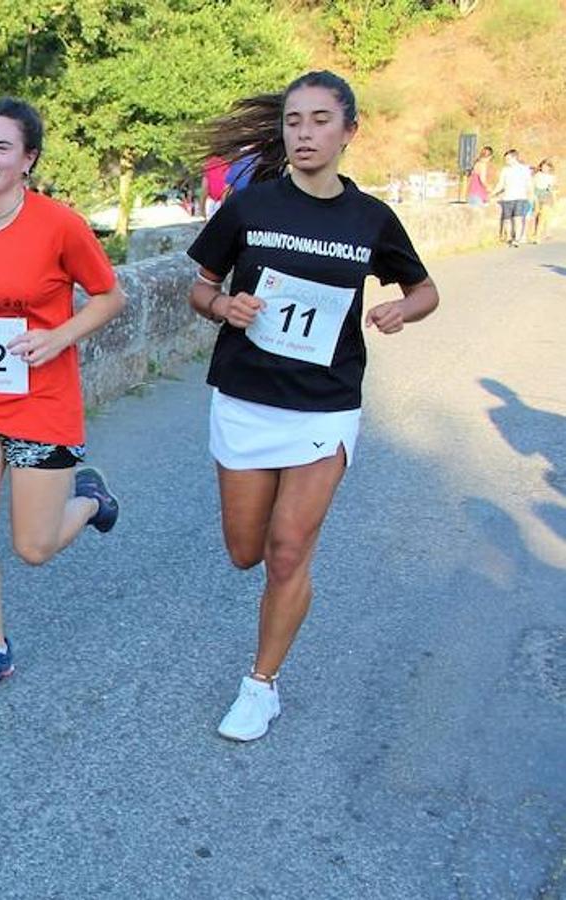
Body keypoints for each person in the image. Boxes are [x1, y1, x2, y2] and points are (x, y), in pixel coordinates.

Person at [187, 71, 439, 741]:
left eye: (320, 120)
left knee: (287, 550)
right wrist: (223, 305)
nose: (304, 133)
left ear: (348, 131)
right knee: (245, 552)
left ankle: (259, 685)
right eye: (294, 121)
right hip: (246, 399)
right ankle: (276, 595)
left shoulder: (371, 219)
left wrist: (399, 309)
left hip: (325, 407)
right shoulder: (248, 209)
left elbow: (424, 290)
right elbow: (200, 287)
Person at [0, 97, 126, 699]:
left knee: (33, 548)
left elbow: (110, 297)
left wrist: (58, 336)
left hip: (43, 403)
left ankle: (90, 498)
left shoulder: (59, 224)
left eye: (2, 147)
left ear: (28, 160)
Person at [493, 149, 532, 247]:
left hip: (520, 197)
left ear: (514, 158)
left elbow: (529, 183)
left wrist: (530, 194)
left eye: (508, 158)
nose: (506, 161)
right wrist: (493, 193)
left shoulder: (524, 169)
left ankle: (517, 239)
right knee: (507, 219)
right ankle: (509, 237)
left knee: (517, 218)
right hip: (507, 197)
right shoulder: (505, 170)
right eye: (506, 159)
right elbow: (501, 184)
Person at [531, 159, 554, 242]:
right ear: (540, 167)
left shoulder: (551, 177)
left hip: (547, 196)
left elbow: (551, 189)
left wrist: (553, 198)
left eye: (547, 167)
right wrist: (533, 196)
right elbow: (532, 186)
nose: (545, 168)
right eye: (543, 166)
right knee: (537, 216)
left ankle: (537, 236)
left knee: (543, 215)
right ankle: (537, 232)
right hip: (537, 196)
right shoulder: (537, 175)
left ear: (550, 168)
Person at [202, 155, 230, 219]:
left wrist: (202, 209)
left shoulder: (207, 165)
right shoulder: (227, 165)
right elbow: (226, 187)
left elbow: (205, 188)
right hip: (222, 201)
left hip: (211, 201)